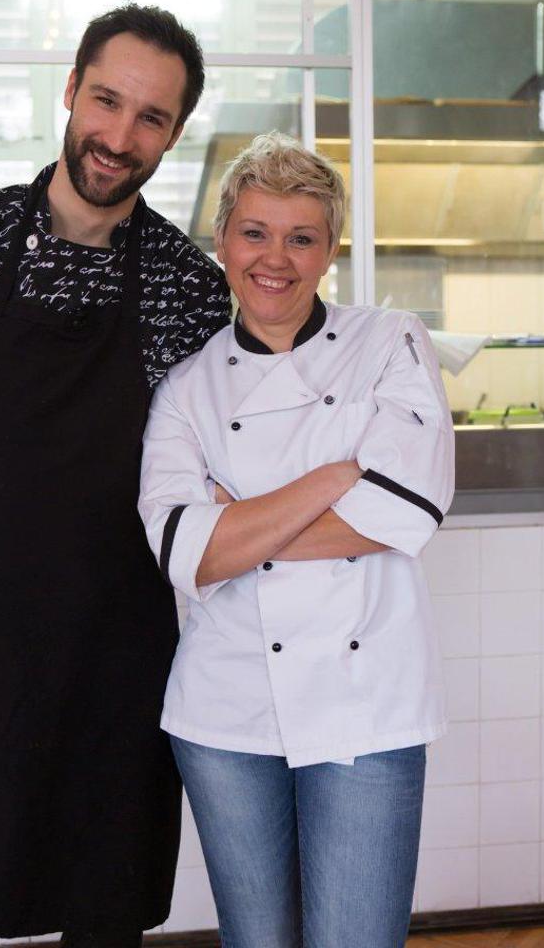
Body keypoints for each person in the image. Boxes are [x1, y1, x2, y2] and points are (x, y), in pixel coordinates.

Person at [0, 3, 230, 948]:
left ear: (174, 133)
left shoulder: (189, 287)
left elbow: (195, 469)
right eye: (107, 100)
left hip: (116, 659)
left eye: (151, 117)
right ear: (71, 89)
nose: (119, 136)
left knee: (103, 910)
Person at [139, 132, 455, 948]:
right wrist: (338, 476)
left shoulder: (391, 342)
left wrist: (237, 520)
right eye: (255, 232)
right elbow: (183, 552)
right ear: (222, 241)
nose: (274, 259)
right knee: (257, 939)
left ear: (330, 249)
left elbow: (408, 510)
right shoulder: (186, 387)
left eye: (301, 237)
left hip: (367, 704)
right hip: (225, 710)